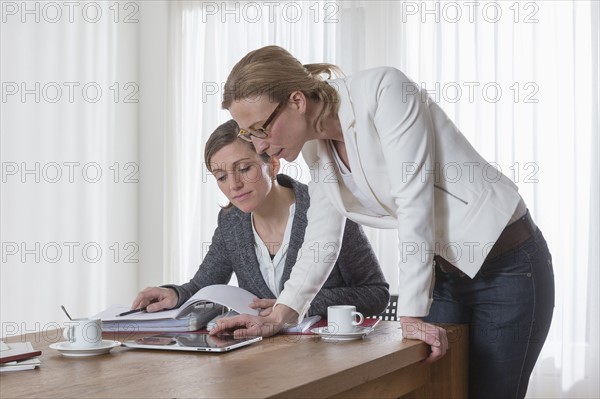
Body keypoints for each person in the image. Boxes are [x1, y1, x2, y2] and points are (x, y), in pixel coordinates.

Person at [210, 45, 555, 398]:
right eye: (249, 135)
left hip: (508, 266)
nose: (261, 146)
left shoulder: (385, 91)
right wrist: (280, 314)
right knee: (440, 390)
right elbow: (322, 238)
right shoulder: (316, 147)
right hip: (447, 274)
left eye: (260, 128)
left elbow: (414, 201)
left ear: (297, 100)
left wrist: (410, 313)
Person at [131, 119, 390, 321]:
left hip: (330, 355)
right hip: (267, 357)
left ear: (273, 164)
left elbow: (376, 293)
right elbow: (203, 286)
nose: (234, 185)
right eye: (221, 176)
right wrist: (174, 294)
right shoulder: (231, 222)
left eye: (244, 169)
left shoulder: (326, 207)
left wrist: (298, 304)